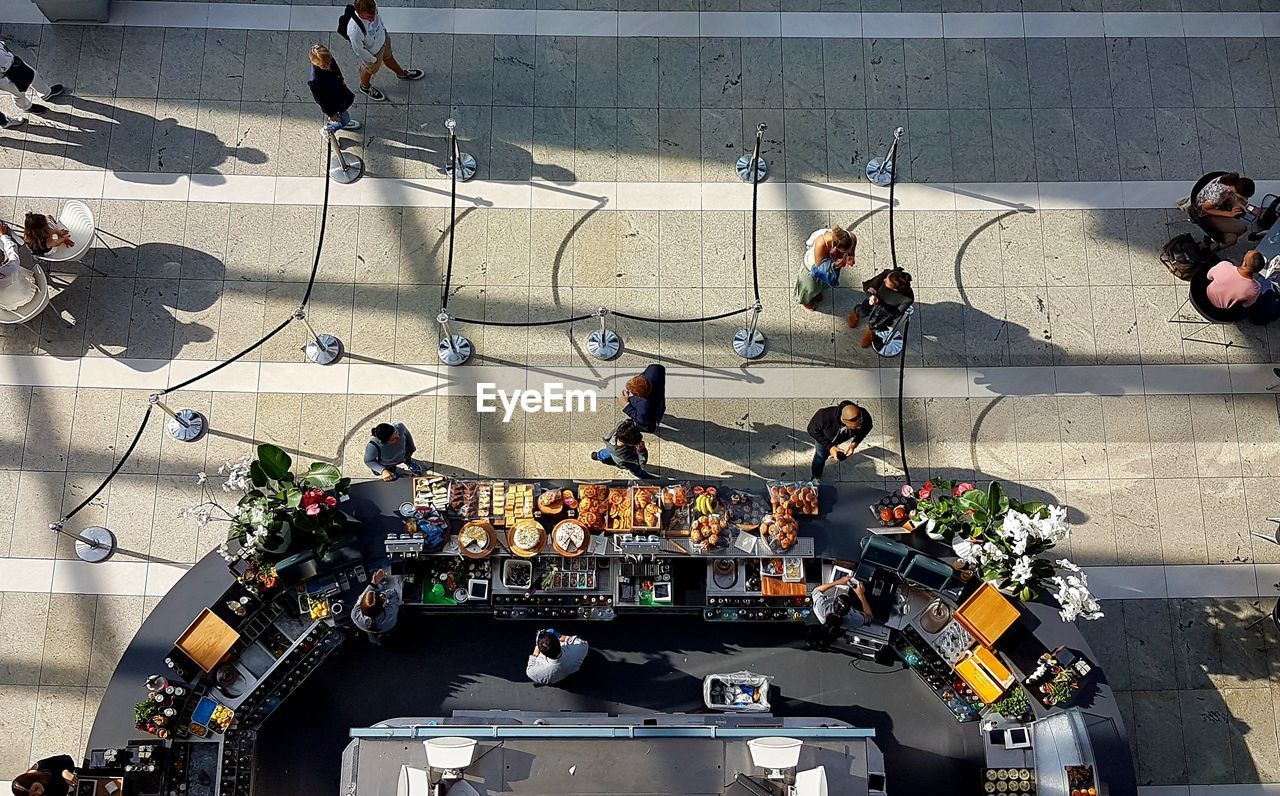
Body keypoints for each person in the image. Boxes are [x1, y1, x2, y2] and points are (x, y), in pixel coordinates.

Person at [342, 0, 423, 102]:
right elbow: (359, 50)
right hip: (372, 53)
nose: (373, 18)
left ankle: (402, 74)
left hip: (383, 39)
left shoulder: (372, 7)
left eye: (374, 13)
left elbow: (379, 20)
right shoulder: (354, 30)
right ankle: (365, 87)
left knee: (389, 57)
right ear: (359, 13)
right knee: (369, 69)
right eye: (369, 17)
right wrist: (372, 59)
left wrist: (384, 32)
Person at [805, 400, 873, 481]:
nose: (859, 428)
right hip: (824, 439)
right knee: (820, 456)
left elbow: (866, 428)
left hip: (838, 438)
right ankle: (816, 475)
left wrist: (854, 444)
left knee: (830, 451)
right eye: (855, 426)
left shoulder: (864, 415)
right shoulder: (823, 416)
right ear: (844, 421)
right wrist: (830, 447)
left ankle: (832, 451)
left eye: (860, 424)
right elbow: (811, 430)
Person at [849, 267, 914, 349]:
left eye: (888, 283)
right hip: (872, 302)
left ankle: (871, 333)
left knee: (876, 326)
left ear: (895, 289)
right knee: (862, 312)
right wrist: (871, 295)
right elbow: (871, 285)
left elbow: (896, 313)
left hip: (884, 313)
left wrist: (884, 315)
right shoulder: (889, 275)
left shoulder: (908, 298)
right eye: (887, 278)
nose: (884, 280)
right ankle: (856, 313)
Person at [794, 226, 855, 310]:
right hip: (813, 268)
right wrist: (836, 265)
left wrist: (851, 255)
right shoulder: (821, 244)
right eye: (843, 252)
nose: (844, 254)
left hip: (829, 266)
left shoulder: (850, 238)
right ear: (835, 245)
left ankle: (816, 292)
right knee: (809, 288)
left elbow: (852, 245)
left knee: (821, 285)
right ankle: (805, 301)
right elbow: (820, 268)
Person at [1195, 172, 1262, 248]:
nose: (1246, 199)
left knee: (1242, 204)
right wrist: (1229, 214)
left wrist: (1236, 204)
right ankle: (1215, 241)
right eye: (1244, 196)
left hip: (1213, 202)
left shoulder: (1229, 182)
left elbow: (1227, 195)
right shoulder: (1216, 197)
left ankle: (1225, 233)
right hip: (1205, 214)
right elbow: (1205, 209)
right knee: (1242, 228)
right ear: (1237, 192)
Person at [807, 576, 873, 649]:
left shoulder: (821, 608)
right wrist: (861, 595)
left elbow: (816, 590)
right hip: (856, 601)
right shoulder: (854, 621)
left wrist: (838, 582)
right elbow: (869, 617)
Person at [0, 40, 63, 117]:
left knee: (34, 76)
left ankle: (46, 93)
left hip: (13, 61)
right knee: (18, 93)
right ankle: (27, 107)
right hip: (5, 76)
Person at [307, 44, 360, 135]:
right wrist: (331, 114)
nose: (328, 66)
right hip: (333, 102)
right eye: (324, 65)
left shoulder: (328, 60)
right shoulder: (315, 80)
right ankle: (330, 129)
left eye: (329, 63)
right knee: (345, 119)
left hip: (338, 92)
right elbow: (320, 100)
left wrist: (341, 80)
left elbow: (337, 71)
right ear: (316, 63)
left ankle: (342, 122)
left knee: (345, 110)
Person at [350, 569, 402, 645]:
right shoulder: (390, 613)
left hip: (370, 629)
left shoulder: (355, 614)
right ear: (383, 603)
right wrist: (384, 594)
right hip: (389, 627)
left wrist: (373, 583)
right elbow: (393, 594)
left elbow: (361, 598)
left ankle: (377, 642)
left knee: (372, 637)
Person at [590, 419, 654, 479]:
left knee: (607, 452)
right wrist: (641, 451)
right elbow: (641, 462)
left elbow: (626, 422)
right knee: (635, 469)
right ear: (630, 444)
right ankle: (643, 476)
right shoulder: (624, 454)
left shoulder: (620, 429)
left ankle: (598, 455)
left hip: (610, 447)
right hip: (622, 461)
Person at [0, 221, 38, 313]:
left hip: (9, 306)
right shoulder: (11, 268)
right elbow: (12, 249)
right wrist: (4, 235)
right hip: (28, 293)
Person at [620, 364, 666, 433]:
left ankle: (655, 423)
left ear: (639, 396)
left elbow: (641, 420)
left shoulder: (644, 409)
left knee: (648, 426)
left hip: (650, 418)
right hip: (659, 402)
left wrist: (626, 406)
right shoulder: (655, 369)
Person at [11, 754, 77, 796]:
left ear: (34, 779)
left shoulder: (42, 766)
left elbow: (66, 759)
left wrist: (64, 772)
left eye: (36, 788)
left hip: (78, 779)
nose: (39, 793)